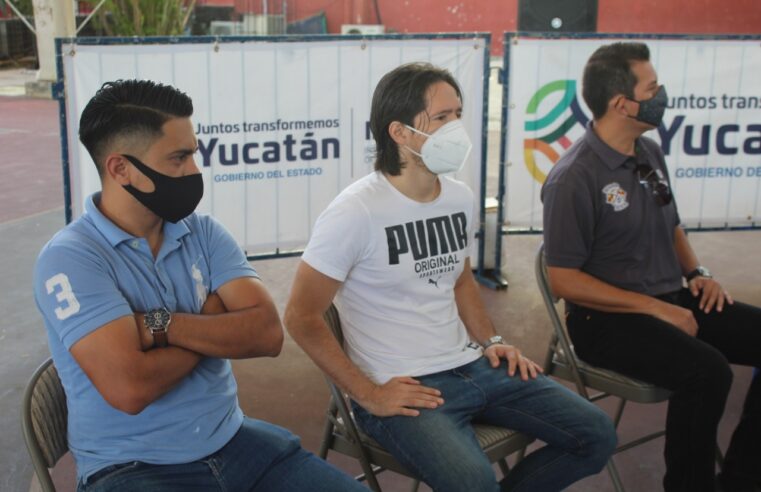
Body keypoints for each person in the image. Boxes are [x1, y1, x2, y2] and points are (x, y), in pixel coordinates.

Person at [284, 62, 616, 492]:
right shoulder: (355, 211)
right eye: (442, 118)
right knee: (473, 483)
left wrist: (493, 343)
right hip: (404, 388)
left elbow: (459, 281)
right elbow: (300, 316)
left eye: (457, 114)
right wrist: (367, 394)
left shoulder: (459, 197)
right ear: (399, 133)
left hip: (474, 365)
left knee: (597, 436)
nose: (456, 127)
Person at [33, 79, 365, 492]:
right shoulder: (70, 259)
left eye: (193, 153)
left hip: (237, 442)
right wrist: (212, 328)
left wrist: (162, 326)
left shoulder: (203, 232)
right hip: (132, 467)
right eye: (178, 158)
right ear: (120, 168)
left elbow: (266, 334)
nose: (194, 170)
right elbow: (130, 388)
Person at [541, 42, 761, 492]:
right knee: (708, 371)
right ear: (622, 103)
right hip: (605, 321)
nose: (662, 95)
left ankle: (741, 478)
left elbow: (671, 222)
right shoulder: (573, 178)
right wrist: (656, 309)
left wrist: (697, 274)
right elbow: (562, 280)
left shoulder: (649, 151)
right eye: (653, 87)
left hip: (670, 298)